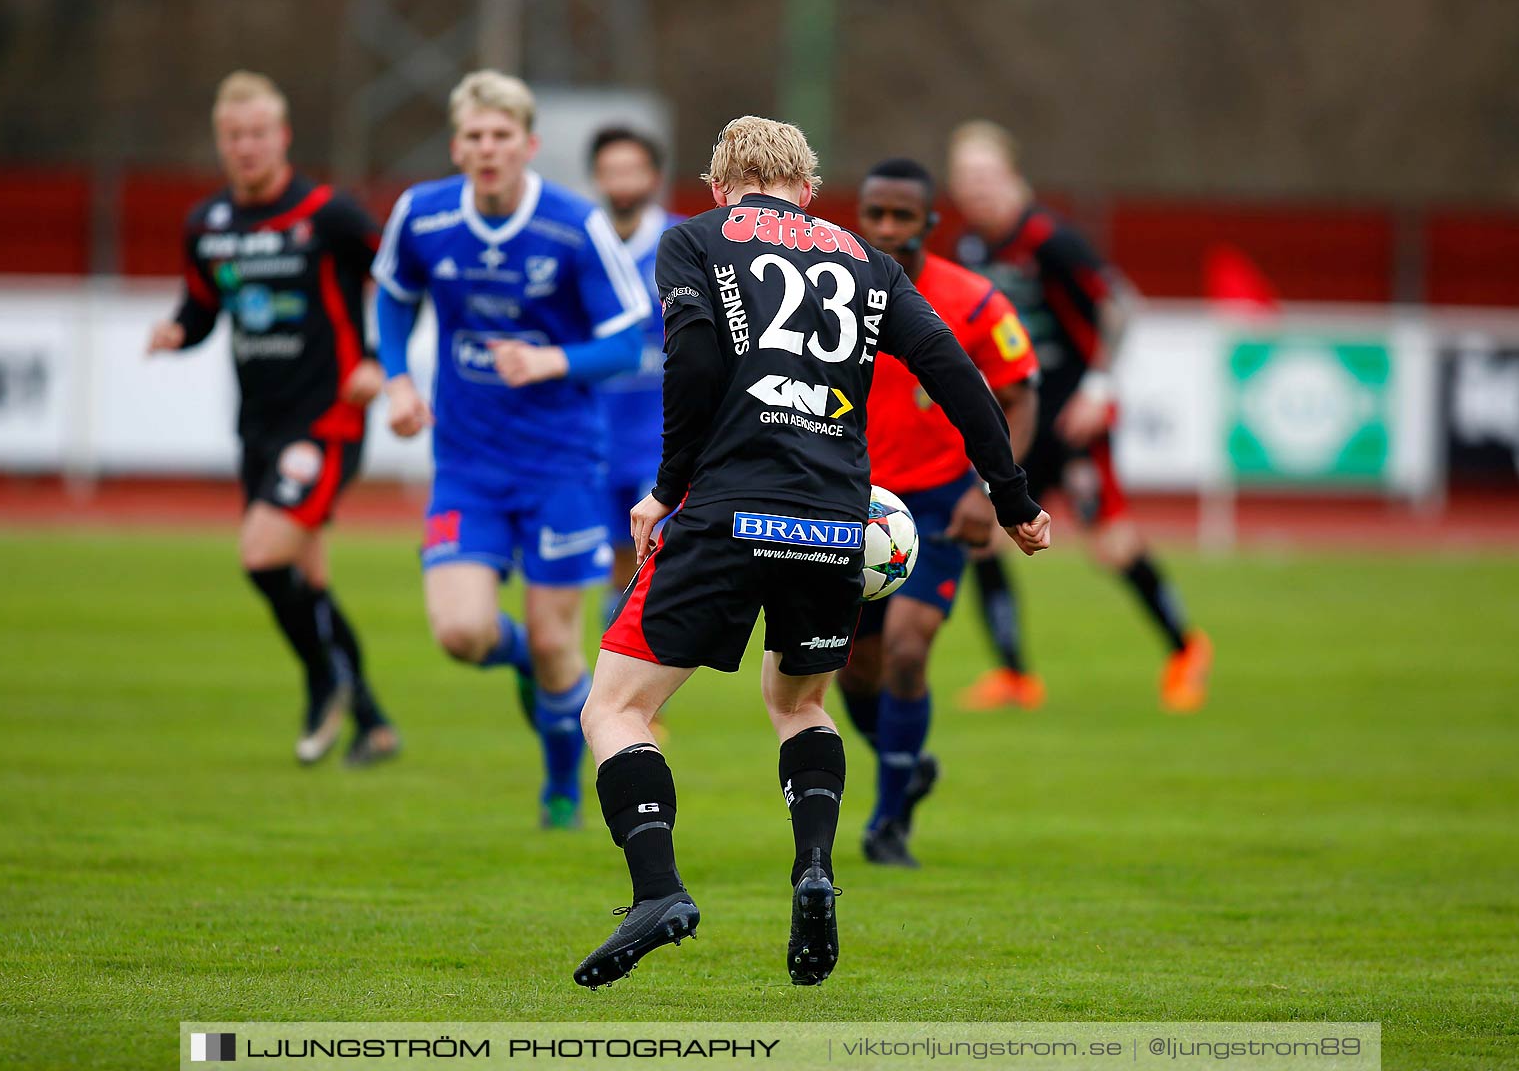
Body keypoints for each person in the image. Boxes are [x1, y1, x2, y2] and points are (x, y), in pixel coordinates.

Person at [571, 117, 1051, 991]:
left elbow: (693, 362)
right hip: (837, 523)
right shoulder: (868, 263)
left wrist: (666, 490)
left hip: (726, 509)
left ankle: (657, 892)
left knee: (614, 709)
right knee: (799, 705)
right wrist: (1013, 498)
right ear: (809, 187)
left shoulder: (696, 238)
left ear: (722, 186)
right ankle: (815, 871)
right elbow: (954, 371)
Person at [373, 71, 650, 829]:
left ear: (527, 145)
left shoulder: (572, 226)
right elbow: (393, 300)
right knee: (461, 633)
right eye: (473, 137)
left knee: (565, 644)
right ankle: (532, 662)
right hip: (467, 462)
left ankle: (561, 788)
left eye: (501, 136)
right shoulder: (422, 215)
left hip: (563, 463)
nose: (487, 149)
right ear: (456, 145)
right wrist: (397, 382)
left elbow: (626, 344)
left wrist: (550, 361)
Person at [147, 70, 399, 767]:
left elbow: (402, 276)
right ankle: (373, 723)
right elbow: (202, 308)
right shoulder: (208, 224)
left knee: (262, 554)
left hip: (327, 421)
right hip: (257, 424)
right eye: (233, 136)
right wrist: (176, 330)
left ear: (282, 136)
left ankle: (325, 682)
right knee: (306, 579)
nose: (246, 146)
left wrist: (378, 358)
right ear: (220, 142)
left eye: (258, 133)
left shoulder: (328, 213)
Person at [946, 120, 1213, 713]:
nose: (975, 187)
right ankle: (1016, 677)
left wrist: (1097, 386)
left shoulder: (1050, 239)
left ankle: (1186, 649)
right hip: (1022, 419)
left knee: (1111, 545)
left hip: (1073, 423)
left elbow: (1120, 306)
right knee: (984, 537)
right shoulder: (972, 247)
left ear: (1013, 175)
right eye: (964, 177)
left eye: (986, 174)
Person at [838, 157, 1040, 869]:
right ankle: (905, 764)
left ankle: (888, 822)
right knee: (851, 672)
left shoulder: (976, 301)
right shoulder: (828, 293)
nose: (888, 228)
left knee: (907, 649)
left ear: (930, 222)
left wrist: (987, 491)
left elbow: (1020, 395)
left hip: (934, 504)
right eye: (875, 214)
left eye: (903, 216)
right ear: (858, 217)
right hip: (848, 500)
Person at [587, 126, 687, 616]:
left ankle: (636, 687)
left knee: (660, 576)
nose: (622, 182)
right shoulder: (582, 245)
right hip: (595, 437)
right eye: (611, 171)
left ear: (654, 177)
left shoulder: (684, 243)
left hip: (662, 441)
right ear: (596, 178)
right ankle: (622, 689)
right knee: (618, 580)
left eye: (632, 170)